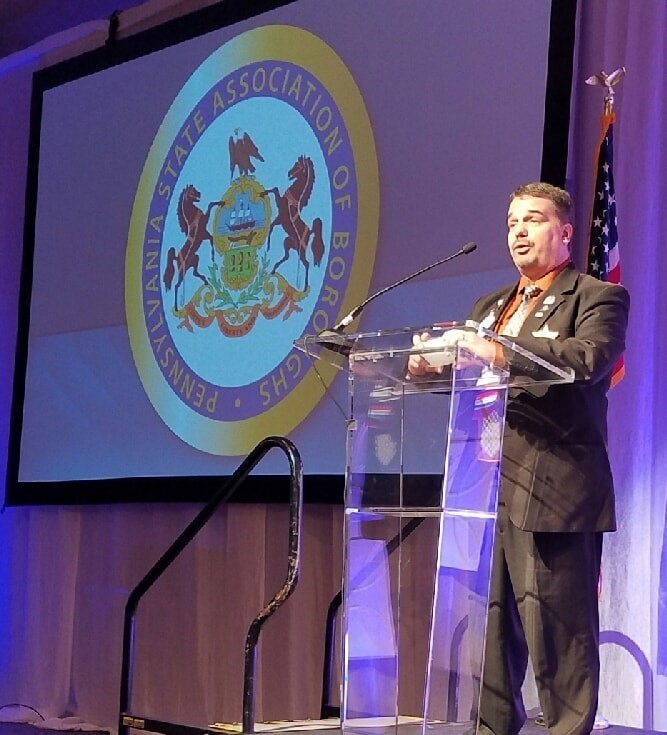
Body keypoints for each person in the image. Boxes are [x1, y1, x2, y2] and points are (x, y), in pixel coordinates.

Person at [407, 182, 630, 735]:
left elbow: (588, 359)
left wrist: (497, 350)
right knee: (491, 631)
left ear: (565, 232)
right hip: (485, 489)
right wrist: (427, 367)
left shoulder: (596, 297)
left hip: (554, 489)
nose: (519, 232)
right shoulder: (489, 307)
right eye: (512, 223)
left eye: (532, 220)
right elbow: (471, 381)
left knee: (559, 635)